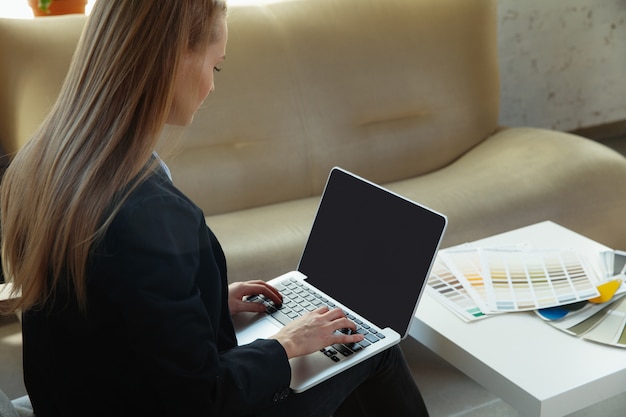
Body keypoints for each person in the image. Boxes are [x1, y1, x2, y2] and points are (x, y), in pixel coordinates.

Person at [0, 1, 430, 416]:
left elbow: (107, 314)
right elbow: (204, 400)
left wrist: (206, 305)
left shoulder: (45, 164)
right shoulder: (150, 215)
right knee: (372, 348)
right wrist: (285, 344)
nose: (211, 83)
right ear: (172, 59)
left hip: (84, 400)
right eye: (215, 65)